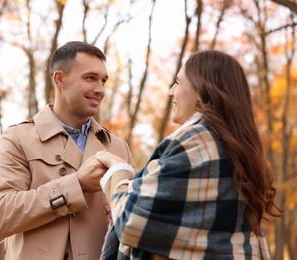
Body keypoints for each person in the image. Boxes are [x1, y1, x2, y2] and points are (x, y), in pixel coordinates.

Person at [95, 50, 280, 259]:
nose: (170, 92)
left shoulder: (196, 141)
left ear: (202, 90)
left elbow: (131, 220)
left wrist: (118, 171)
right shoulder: (236, 146)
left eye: (178, 82)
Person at [0, 41, 134, 260]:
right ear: (59, 79)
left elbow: (135, 225)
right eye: (90, 78)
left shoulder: (117, 147)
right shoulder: (17, 138)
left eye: (103, 80)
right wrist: (77, 185)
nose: (100, 89)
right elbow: (0, 216)